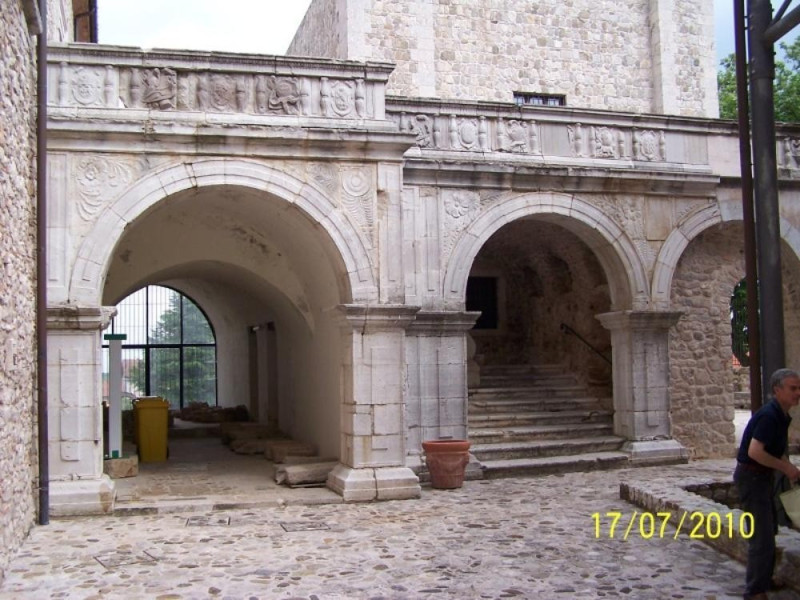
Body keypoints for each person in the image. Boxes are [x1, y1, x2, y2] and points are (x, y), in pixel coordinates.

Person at [734, 368, 800, 600]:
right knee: (761, 536)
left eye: (798, 388)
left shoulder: (781, 415)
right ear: (777, 390)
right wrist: (786, 468)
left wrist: (790, 469)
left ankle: (764, 579)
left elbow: (773, 450)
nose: (797, 393)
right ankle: (755, 591)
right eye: (793, 388)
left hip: (762, 478)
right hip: (752, 478)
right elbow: (755, 451)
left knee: (769, 529)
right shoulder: (769, 416)